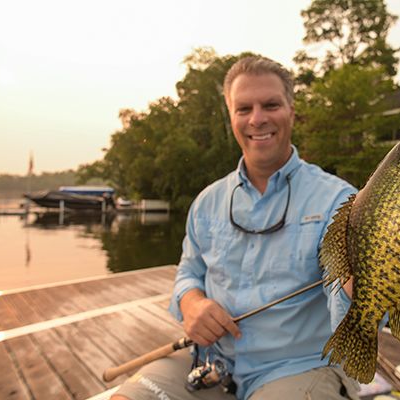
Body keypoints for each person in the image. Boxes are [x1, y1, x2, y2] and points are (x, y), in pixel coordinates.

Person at [112, 56, 358, 400]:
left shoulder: (341, 201)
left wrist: (360, 281)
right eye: (244, 108)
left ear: (291, 109)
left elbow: (350, 306)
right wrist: (192, 305)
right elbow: (189, 272)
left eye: (270, 105)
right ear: (230, 116)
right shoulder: (207, 202)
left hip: (299, 367)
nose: (257, 119)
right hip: (209, 360)